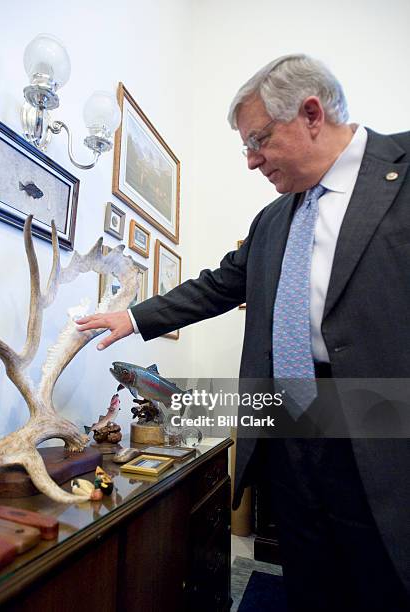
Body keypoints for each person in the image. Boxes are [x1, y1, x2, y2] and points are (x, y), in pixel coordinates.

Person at [76, 54, 410, 611]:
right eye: (245, 148)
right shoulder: (273, 220)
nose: (252, 162)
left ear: (311, 114)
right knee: (310, 582)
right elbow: (216, 286)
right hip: (286, 428)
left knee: (384, 582)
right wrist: (132, 317)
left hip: (382, 427)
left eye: (258, 141)